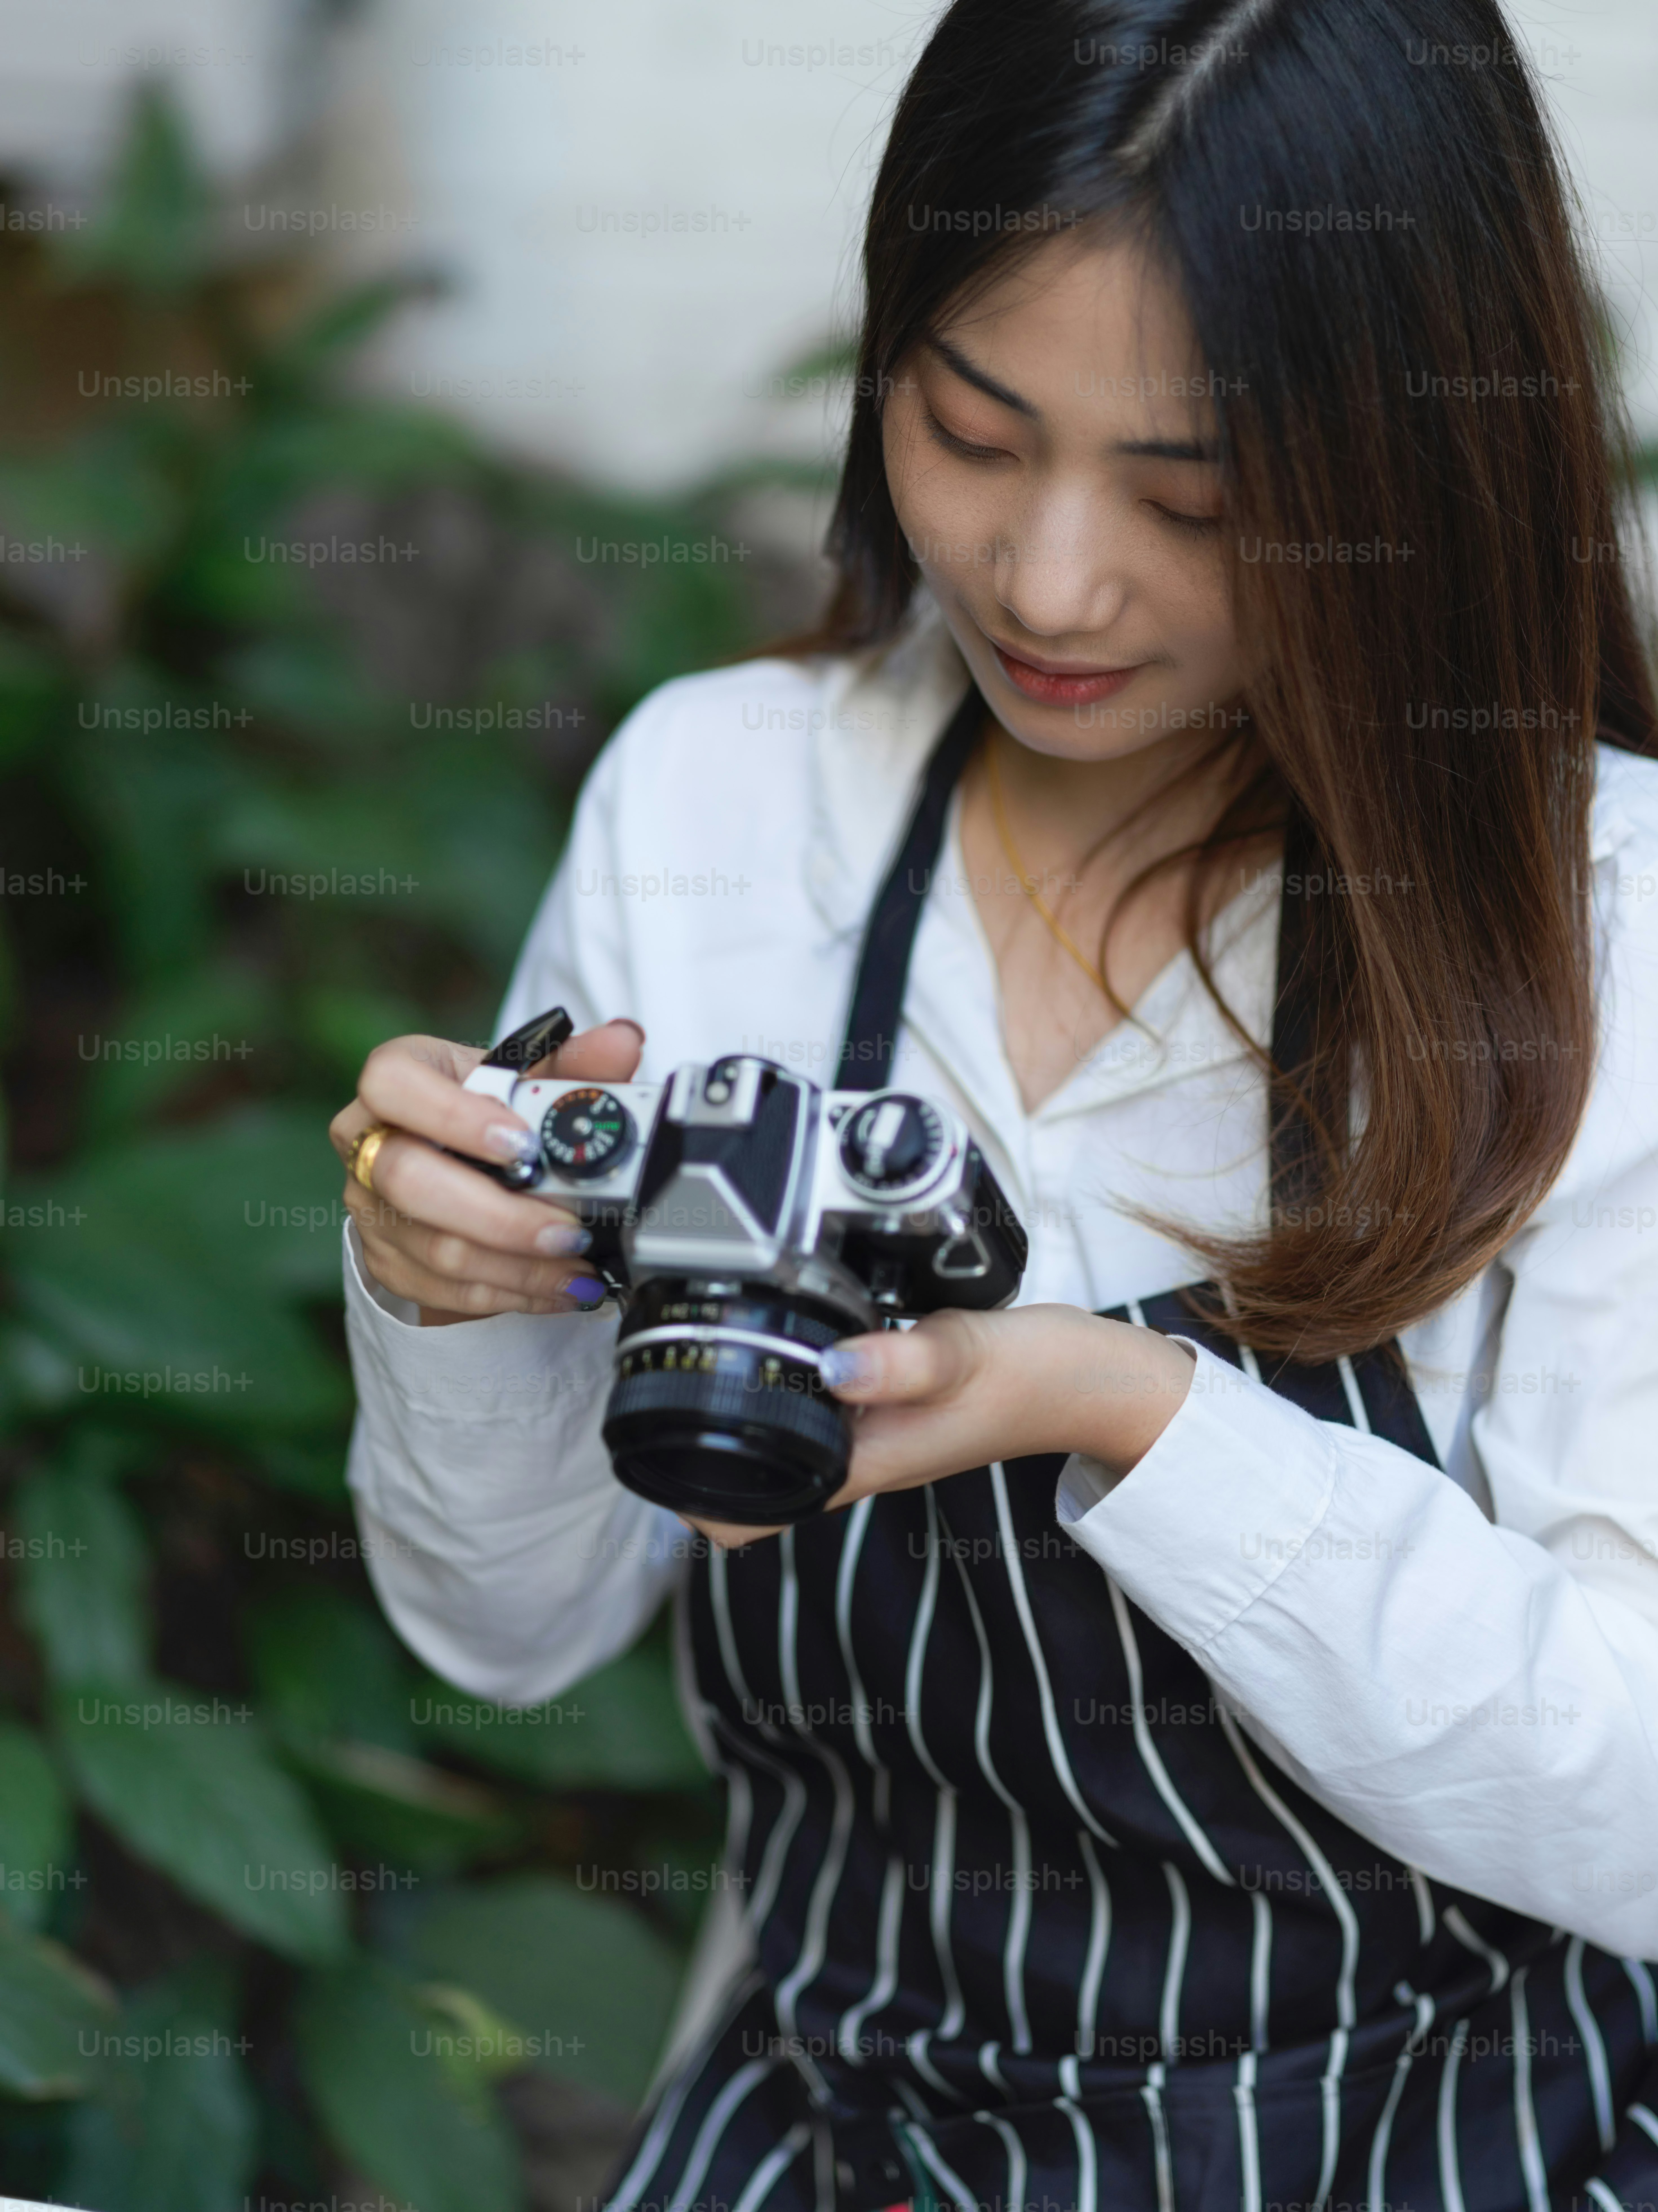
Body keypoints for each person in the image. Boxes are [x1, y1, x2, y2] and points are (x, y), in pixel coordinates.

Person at [329, 0, 1658, 2203]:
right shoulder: (727, 807)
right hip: (849, 2124)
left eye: (1193, 495)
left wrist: (1125, 1416)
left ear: (1417, 468)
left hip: (1455, 2145)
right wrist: (445, 1294)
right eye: (973, 431)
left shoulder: (1603, 922)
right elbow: (506, 1629)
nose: (1049, 584)